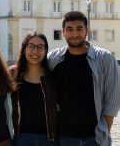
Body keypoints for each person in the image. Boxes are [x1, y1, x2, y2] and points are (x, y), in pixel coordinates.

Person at [47, 11, 120, 146]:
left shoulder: (105, 58)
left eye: (79, 28)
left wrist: (104, 132)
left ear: (87, 30)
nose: (75, 34)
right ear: (63, 32)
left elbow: (113, 99)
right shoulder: (53, 59)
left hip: (96, 137)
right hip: (64, 137)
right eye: (69, 29)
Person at [10, 31, 59, 146]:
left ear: (46, 50)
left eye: (40, 47)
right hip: (21, 138)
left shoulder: (53, 76)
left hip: (49, 139)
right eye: (31, 46)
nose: (35, 51)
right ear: (24, 49)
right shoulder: (13, 74)